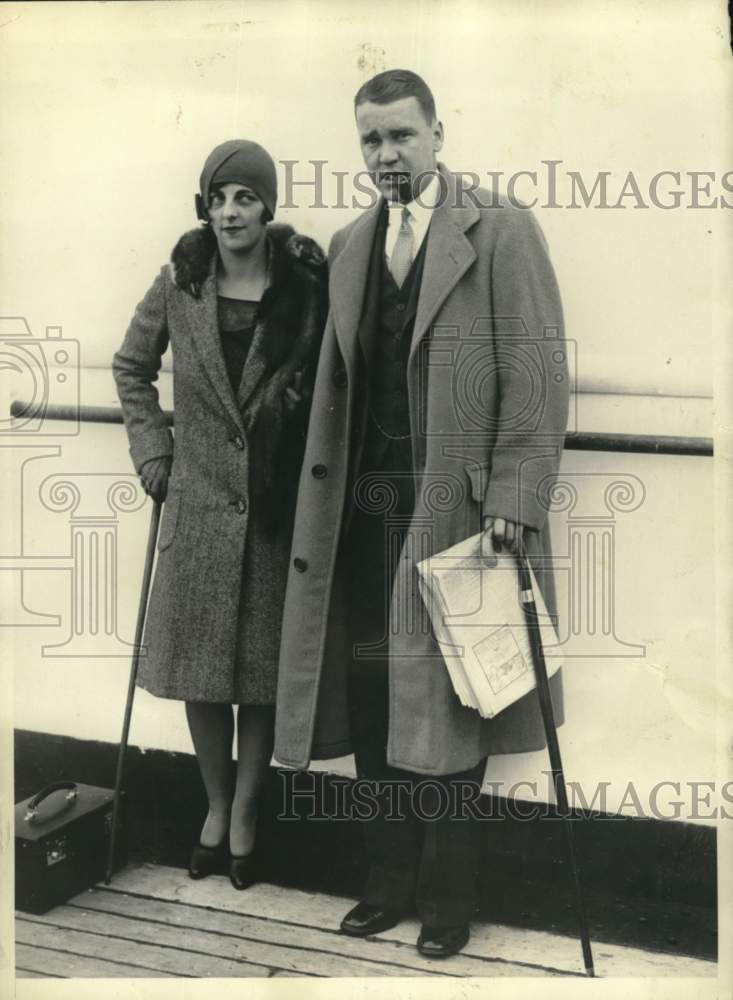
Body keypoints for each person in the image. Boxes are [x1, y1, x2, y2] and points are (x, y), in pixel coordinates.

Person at [274, 70, 569, 957]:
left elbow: (536, 371)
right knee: (372, 697)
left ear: (438, 134)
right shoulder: (351, 244)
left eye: (401, 135)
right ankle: (385, 882)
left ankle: (447, 901)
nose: (386, 154)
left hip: (458, 516)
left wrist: (515, 493)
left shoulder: (500, 229)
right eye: (370, 140)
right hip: (362, 519)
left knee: (451, 709)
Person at [113, 139, 327, 889]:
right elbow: (131, 367)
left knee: (260, 675)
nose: (230, 212)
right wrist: (154, 454)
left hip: (273, 509)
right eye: (218, 199)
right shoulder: (181, 281)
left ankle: (246, 813)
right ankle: (213, 803)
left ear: (267, 206)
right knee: (202, 674)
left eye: (245, 197)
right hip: (199, 508)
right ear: (204, 209)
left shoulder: (303, 286)